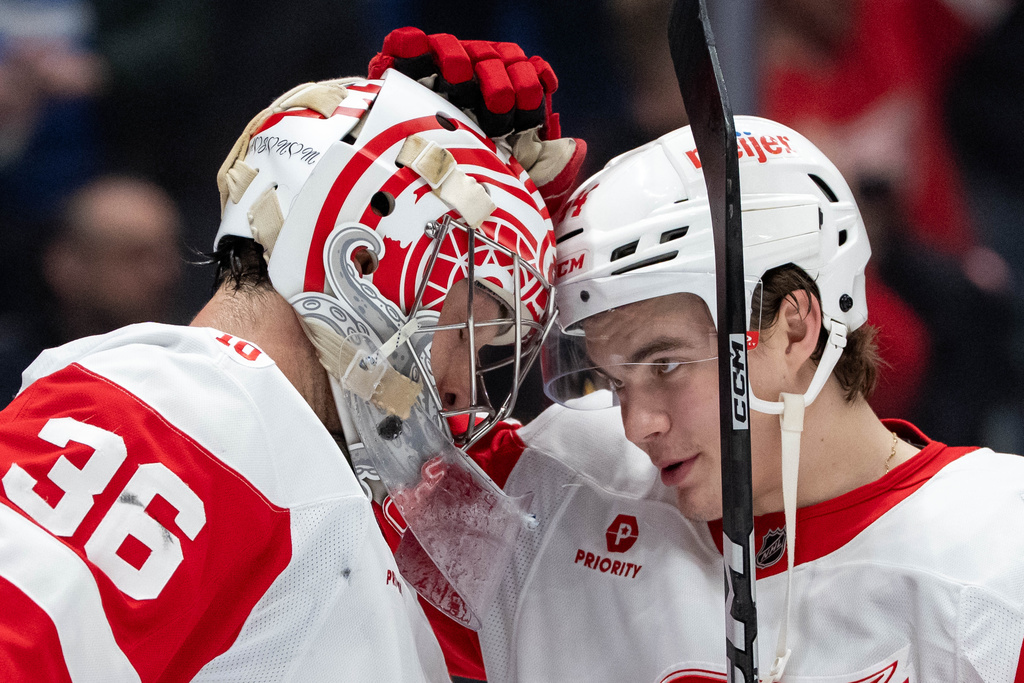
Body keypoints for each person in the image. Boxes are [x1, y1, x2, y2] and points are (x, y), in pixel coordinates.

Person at [0, 41, 582, 679]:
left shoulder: (282, 456)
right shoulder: (184, 418)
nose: (460, 385)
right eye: (469, 330)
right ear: (365, 262)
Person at [440, 115, 1024, 682]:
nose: (635, 426)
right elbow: (358, 530)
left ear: (794, 328)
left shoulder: (1000, 549)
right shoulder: (552, 489)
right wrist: (421, 211)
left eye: (665, 364)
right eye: (614, 382)